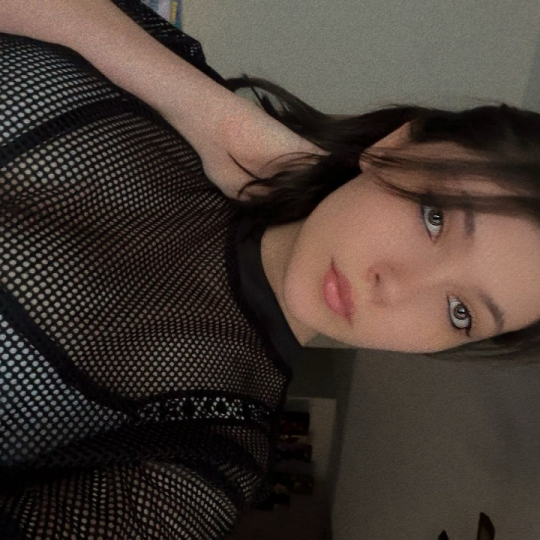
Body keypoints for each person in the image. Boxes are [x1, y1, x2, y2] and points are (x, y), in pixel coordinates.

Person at [0, 0, 539, 538]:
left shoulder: (202, 463)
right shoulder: (179, 80)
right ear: (396, 144)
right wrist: (205, 108)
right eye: (435, 217)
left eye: (460, 311)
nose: (394, 286)